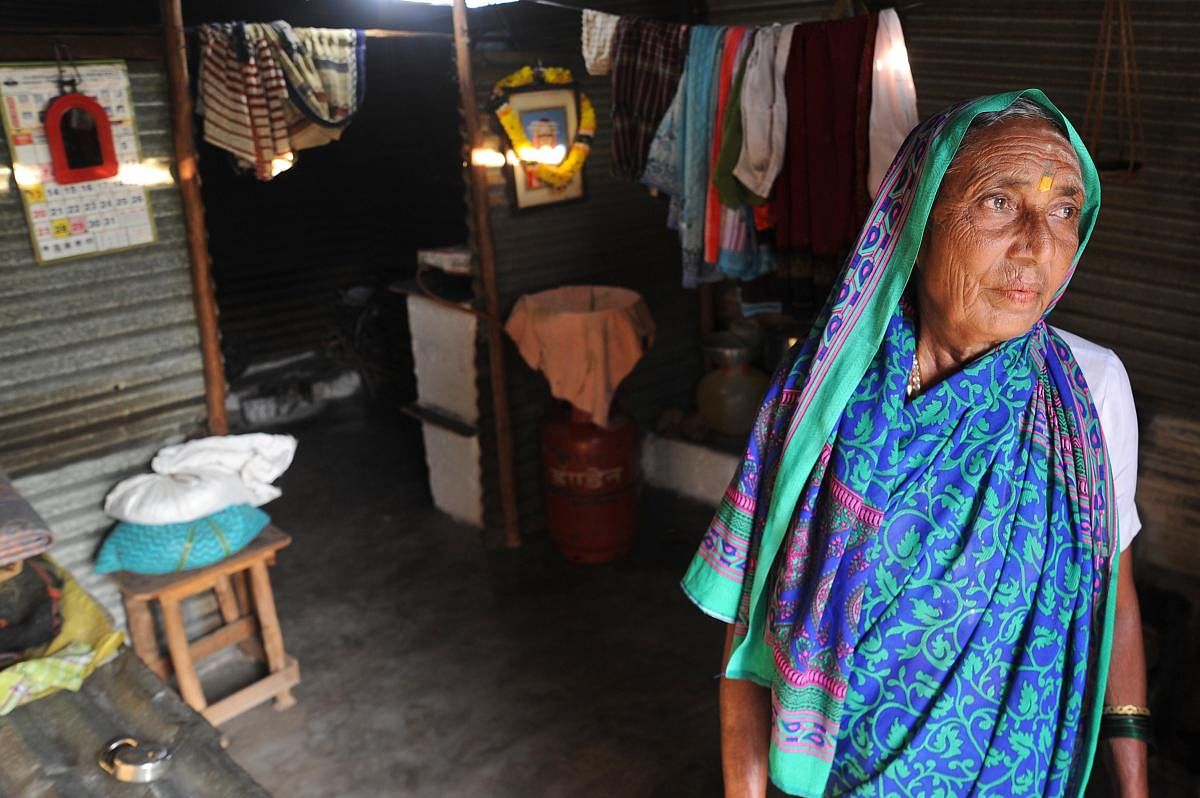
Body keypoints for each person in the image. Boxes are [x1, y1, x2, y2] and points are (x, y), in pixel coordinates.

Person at [682, 90, 1150, 797]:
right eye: (998, 202)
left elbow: (1112, 599)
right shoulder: (820, 396)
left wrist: (1134, 785)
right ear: (917, 216)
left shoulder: (1092, 392)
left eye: (1063, 209)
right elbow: (749, 634)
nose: (1038, 245)